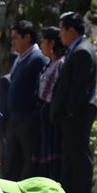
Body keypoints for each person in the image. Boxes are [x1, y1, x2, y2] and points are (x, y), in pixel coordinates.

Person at [51, 11, 97, 193]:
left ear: (71, 30)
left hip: (77, 113)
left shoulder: (82, 51)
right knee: (70, 156)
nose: (60, 34)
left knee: (79, 155)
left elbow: (80, 86)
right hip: (73, 114)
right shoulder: (76, 50)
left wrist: (70, 110)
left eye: (62, 29)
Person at [1, 20, 49, 179]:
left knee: (28, 163)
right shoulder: (19, 59)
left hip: (28, 119)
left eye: (16, 38)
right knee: (11, 163)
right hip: (14, 120)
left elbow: (41, 89)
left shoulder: (38, 58)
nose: (13, 42)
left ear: (27, 37)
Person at [36, 26, 66, 179]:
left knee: (54, 155)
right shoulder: (48, 64)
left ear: (52, 43)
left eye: (44, 42)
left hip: (53, 114)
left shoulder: (61, 63)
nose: (41, 46)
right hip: (44, 115)